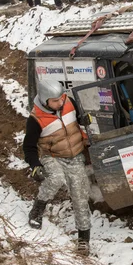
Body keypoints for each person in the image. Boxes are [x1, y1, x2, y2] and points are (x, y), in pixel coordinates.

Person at [23, 80, 92, 255]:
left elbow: (80, 121)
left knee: (79, 194)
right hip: (52, 155)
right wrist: (35, 165)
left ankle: (83, 239)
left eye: (61, 98)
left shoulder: (69, 102)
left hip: (75, 155)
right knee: (56, 178)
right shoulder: (36, 119)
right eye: (55, 101)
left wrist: (85, 121)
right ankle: (38, 209)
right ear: (46, 100)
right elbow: (29, 146)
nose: (60, 102)